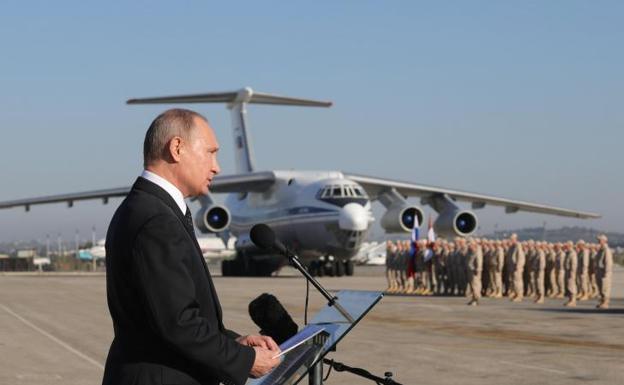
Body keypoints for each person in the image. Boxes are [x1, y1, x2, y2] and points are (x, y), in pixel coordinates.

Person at [102, 109, 280, 385]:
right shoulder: (156, 219)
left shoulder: (149, 208)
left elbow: (166, 317)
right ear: (176, 148)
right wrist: (245, 360)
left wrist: (235, 343)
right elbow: (178, 323)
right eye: (210, 152)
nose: (216, 166)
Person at [595, 234, 613, 309]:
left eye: (600, 240)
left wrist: (607, 272)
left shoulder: (606, 250)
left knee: (605, 288)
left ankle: (606, 302)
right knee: (601, 288)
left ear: (605, 241)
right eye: (599, 240)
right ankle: (602, 301)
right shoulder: (601, 250)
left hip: (604, 272)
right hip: (599, 271)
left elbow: (608, 262)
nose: (599, 241)